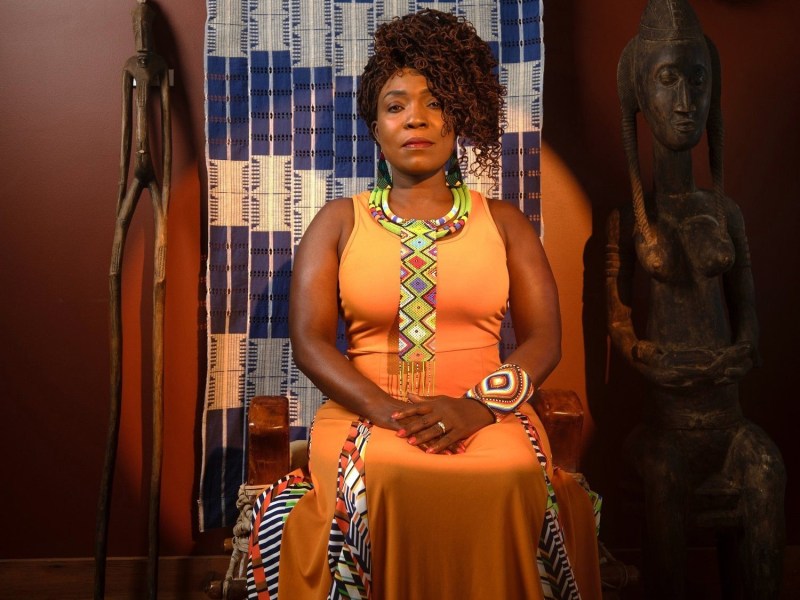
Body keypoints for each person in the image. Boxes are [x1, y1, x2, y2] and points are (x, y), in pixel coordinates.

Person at [247, 9, 601, 599]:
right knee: (381, 478)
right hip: (367, 412)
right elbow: (309, 342)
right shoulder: (338, 221)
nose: (416, 116)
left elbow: (545, 341)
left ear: (458, 117)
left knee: (511, 473)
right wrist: (389, 411)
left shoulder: (505, 222)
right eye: (395, 105)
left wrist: (478, 409)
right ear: (375, 127)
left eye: (435, 102)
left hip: (488, 411)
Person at [606, 0, 784, 597]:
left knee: (765, 468)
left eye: (697, 80)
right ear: (638, 91)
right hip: (664, 431)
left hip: (728, 423)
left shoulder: (724, 212)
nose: (685, 102)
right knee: (664, 481)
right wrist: (644, 355)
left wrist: (739, 352)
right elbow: (616, 322)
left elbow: (749, 319)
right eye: (667, 79)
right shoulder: (628, 220)